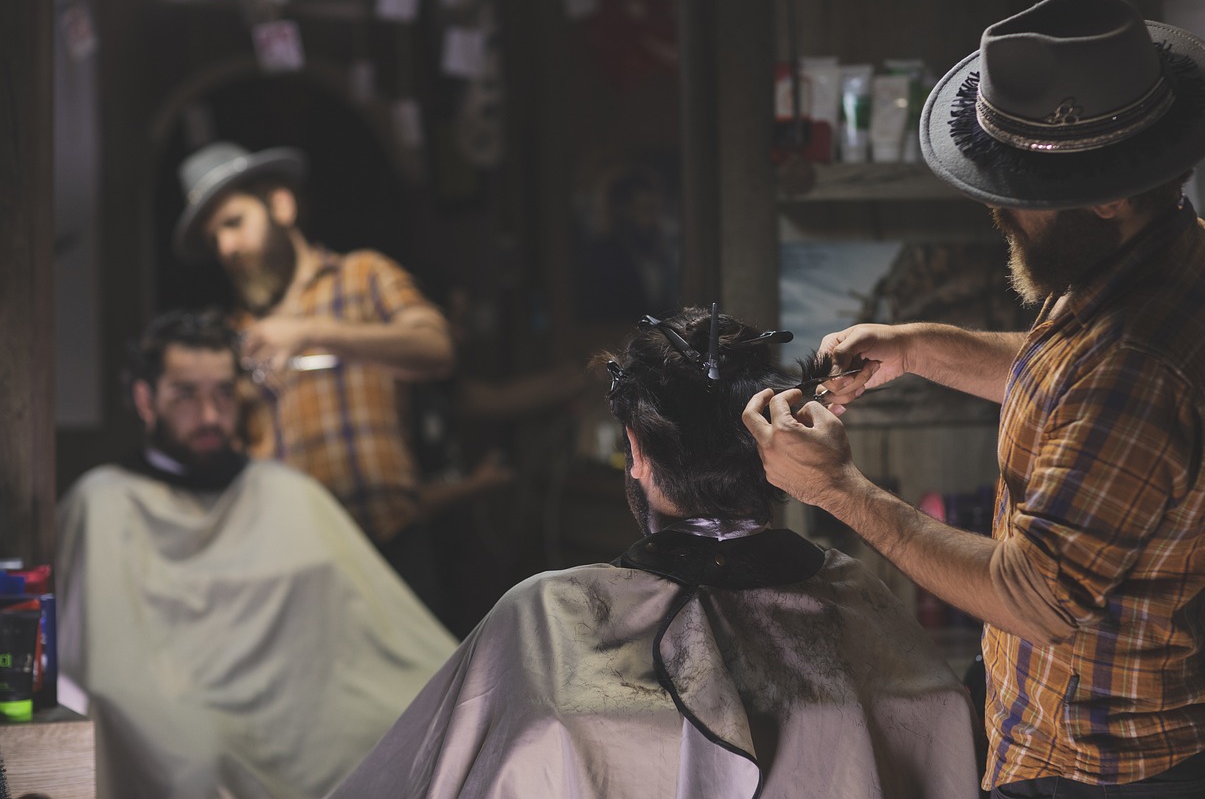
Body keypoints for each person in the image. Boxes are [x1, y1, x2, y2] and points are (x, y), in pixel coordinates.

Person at [743, 0, 1205, 798]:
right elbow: (1071, 374)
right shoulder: (1181, 252)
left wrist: (836, 489)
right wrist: (915, 347)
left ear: (1110, 194)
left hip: (1109, 766)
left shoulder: (1136, 361)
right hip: (1100, 728)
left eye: (1021, 194)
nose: (997, 210)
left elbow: (1032, 593)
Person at [329, 306, 982, 799]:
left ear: (636, 451)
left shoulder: (546, 614)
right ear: (777, 444)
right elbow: (938, 724)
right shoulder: (853, 594)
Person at [55, 309, 459, 799]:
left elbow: (371, 632)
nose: (210, 416)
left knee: (414, 728)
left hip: (301, 714)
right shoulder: (101, 502)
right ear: (145, 399)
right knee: (192, 762)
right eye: (186, 395)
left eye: (223, 394)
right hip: (179, 718)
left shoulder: (287, 493)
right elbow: (101, 667)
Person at [172, 141, 509, 610]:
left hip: (390, 545)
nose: (226, 248)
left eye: (233, 223)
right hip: (295, 565)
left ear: (280, 205)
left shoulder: (363, 275)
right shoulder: (236, 334)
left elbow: (436, 351)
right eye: (214, 241)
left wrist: (312, 330)